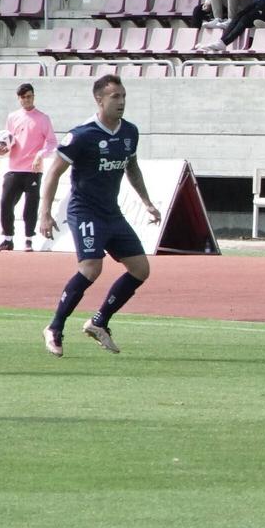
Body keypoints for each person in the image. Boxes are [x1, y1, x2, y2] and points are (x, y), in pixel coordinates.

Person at [36, 74, 161, 357]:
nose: (121, 102)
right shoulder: (82, 135)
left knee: (141, 269)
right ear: (99, 100)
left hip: (112, 213)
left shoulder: (130, 132)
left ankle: (99, 321)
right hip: (85, 211)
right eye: (115, 97)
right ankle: (54, 327)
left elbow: (132, 167)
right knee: (92, 268)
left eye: (123, 96)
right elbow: (54, 172)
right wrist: (44, 211)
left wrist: (146, 202)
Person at [1, 82, 55, 251]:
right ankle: (8, 239)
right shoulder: (12, 117)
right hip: (14, 168)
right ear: (19, 99)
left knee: (30, 206)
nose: (26, 100)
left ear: (33, 96)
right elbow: (8, 140)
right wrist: (2, 150)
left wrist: (41, 154)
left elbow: (52, 142)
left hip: (33, 170)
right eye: (23, 97)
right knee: (5, 203)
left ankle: (28, 239)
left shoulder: (43, 118)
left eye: (29, 96)